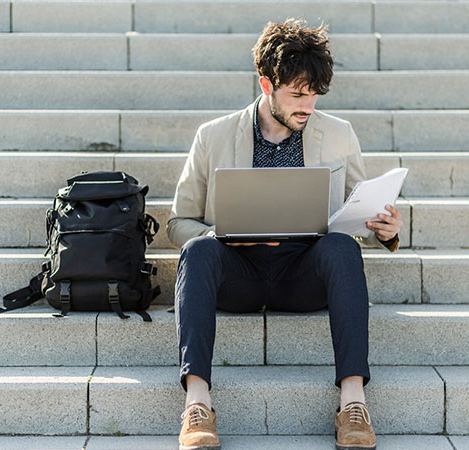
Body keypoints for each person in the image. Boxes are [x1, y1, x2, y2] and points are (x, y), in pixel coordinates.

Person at [168, 19, 402, 450]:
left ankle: (353, 403)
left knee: (341, 246)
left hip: (302, 272)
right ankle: (197, 405)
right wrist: (225, 233)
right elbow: (178, 223)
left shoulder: (339, 133)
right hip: (237, 270)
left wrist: (382, 229)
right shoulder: (213, 135)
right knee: (197, 251)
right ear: (266, 84)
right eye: (296, 94)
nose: (307, 106)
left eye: (314, 94)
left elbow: (359, 210)